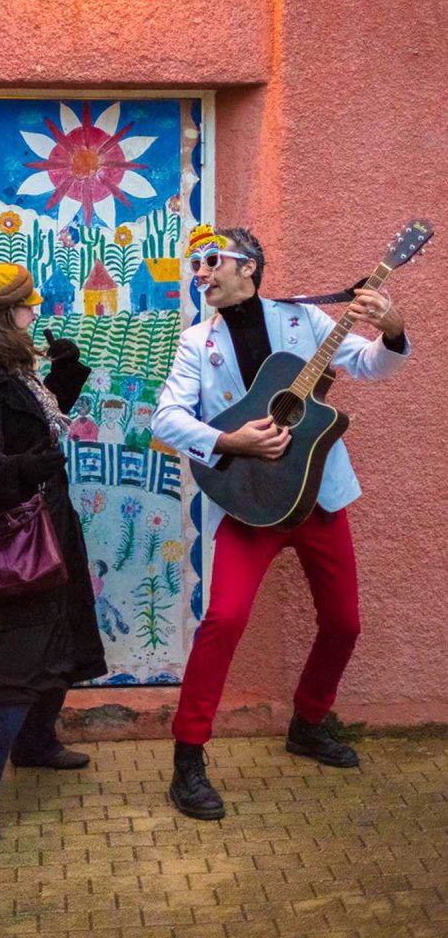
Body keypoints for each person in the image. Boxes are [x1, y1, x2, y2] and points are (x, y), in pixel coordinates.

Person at [151, 224, 411, 820]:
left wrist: (392, 328)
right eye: (195, 265)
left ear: (248, 266)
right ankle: (188, 758)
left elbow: (370, 365)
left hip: (318, 497)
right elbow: (166, 418)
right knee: (224, 619)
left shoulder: (303, 319)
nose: (200, 273)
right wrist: (229, 440)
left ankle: (309, 724)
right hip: (249, 504)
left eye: (211, 260)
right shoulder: (196, 342)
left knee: (344, 623)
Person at [0, 263, 107, 843]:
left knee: (63, 642)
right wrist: (27, 468)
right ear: (6, 316)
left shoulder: (15, 371)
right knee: (15, 669)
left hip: (47, 526)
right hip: (11, 542)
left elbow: (34, 428)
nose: (34, 313)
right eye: (26, 307)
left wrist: (65, 375)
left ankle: (36, 742)